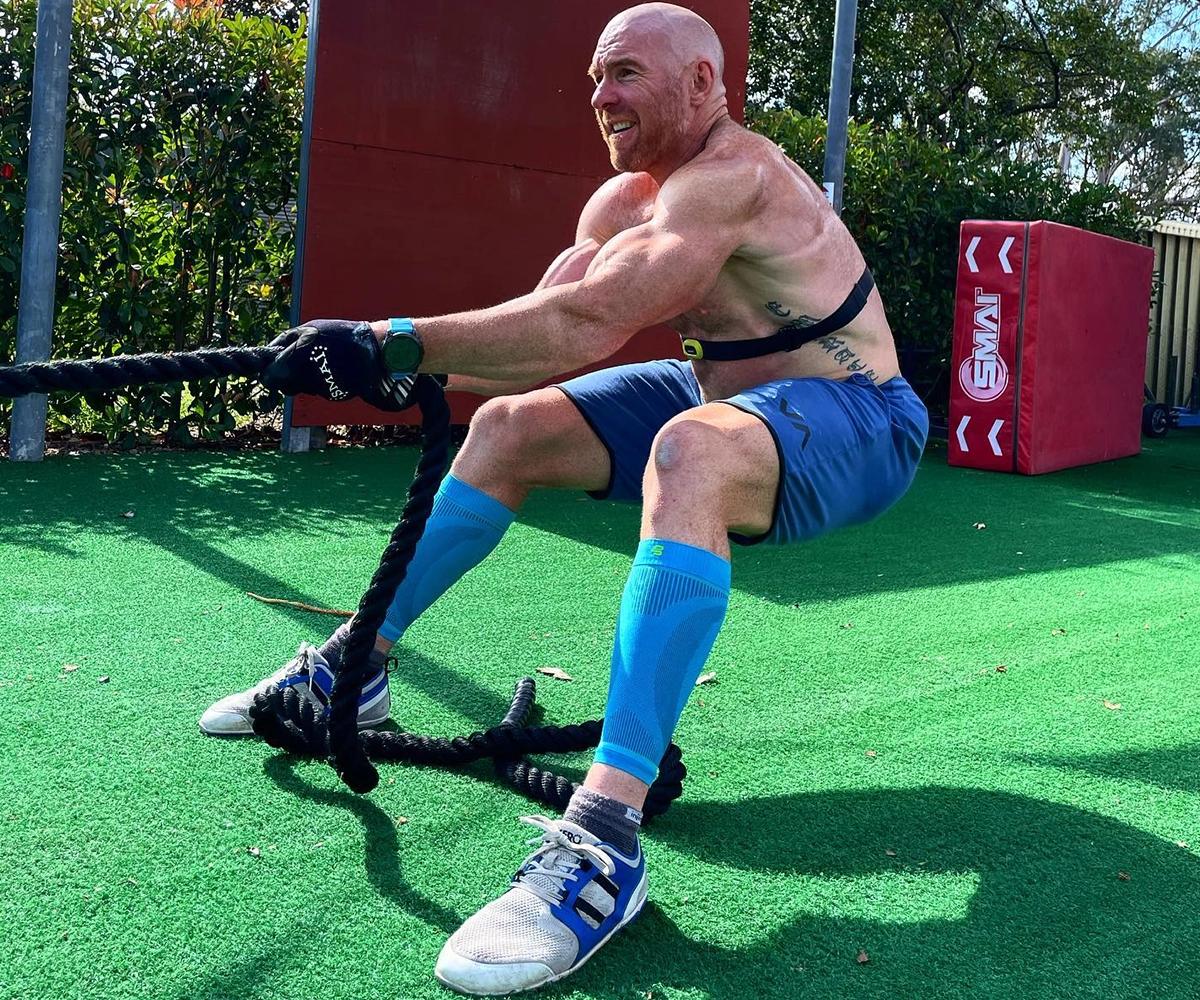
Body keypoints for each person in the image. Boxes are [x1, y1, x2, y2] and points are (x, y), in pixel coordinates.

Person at [201, 3, 929, 993]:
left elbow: (591, 321)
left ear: (704, 84)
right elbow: (541, 337)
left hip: (862, 416)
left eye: (627, 73)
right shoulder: (622, 202)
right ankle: (352, 669)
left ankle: (604, 839)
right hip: (727, 396)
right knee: (508, 429)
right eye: (595, 76)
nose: (601, 95)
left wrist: (389, 340)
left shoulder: (738, 177)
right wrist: (397, 363)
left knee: (689, 454)